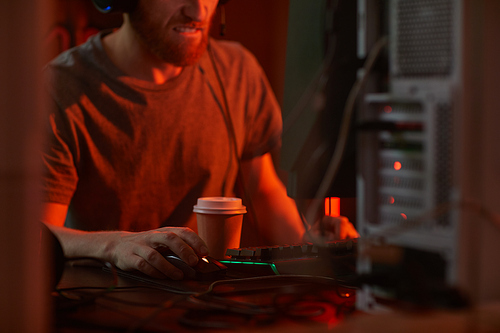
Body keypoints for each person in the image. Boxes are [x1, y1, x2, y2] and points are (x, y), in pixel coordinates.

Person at [41, 0, 358, 280]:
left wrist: (316, 247)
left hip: (209, 302)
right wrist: (115, 245)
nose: (198, 11)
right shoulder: (58, 88)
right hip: (108, 302)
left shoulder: (238, 70)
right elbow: (39, 235)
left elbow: (264, 191)